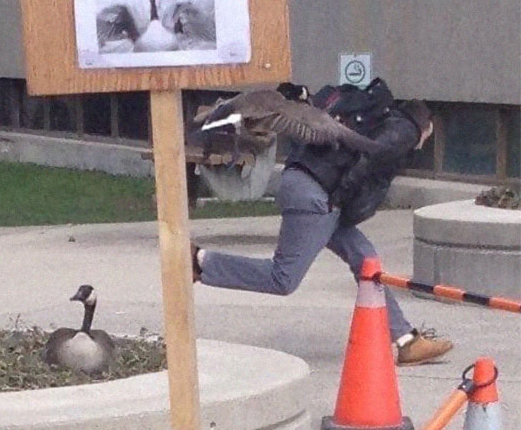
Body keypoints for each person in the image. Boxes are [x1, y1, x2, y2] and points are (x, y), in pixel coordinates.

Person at [191, 85, 453, 366]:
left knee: (366, 261)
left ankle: (405, 340)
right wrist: (337, 199)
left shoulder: (377, 118)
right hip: (320, 195)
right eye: (427, 136)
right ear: (426, 127)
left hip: (308, 184)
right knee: (283, 278)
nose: (423, 143)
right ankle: (198, 261)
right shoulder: (405, 131)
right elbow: (367, 163)